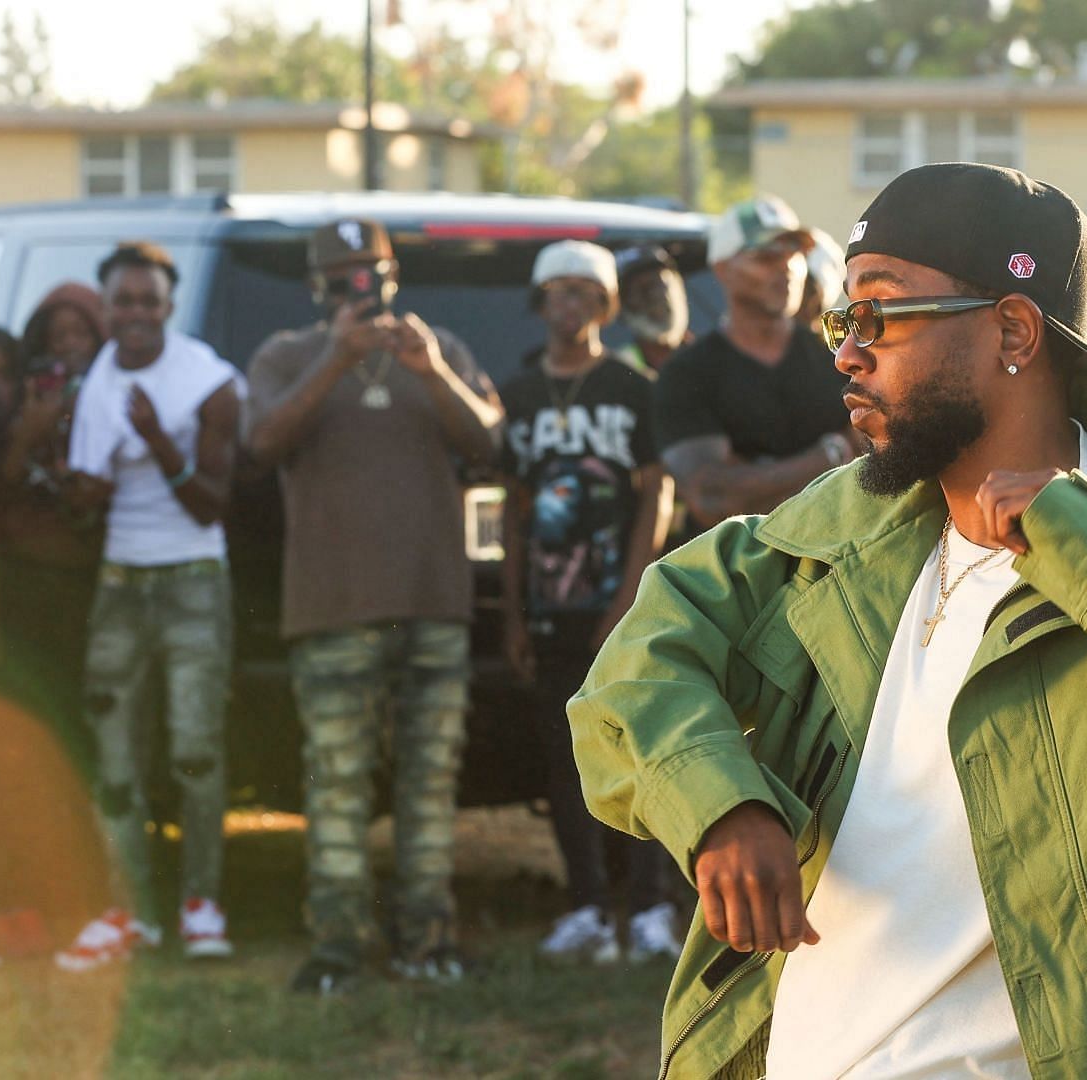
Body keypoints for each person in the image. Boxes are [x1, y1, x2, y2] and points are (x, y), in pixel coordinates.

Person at [568, 162, 1087, 1079]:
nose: (847, 351)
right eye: (842, 318)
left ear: (1011, 330)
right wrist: (719, 806)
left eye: (879, 313)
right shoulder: (846, 528)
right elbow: (635, 668)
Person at [245, 218, 503, 995]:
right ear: (318, 287)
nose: (365, 287)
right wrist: (336, 357)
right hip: (332, 610)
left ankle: (427, 941)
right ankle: (337, 949)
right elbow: (261, 444)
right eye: (348, 275)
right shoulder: (286, 354)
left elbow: (488, 440)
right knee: (336, 782)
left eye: (377, 273)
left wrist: (427, 369)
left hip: (432, 603)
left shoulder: (441, 348)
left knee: (430, 783)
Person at [52, 242, 242, 971]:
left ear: (169, 305)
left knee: (195, 749)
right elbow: (81, 502)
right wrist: (81, 492)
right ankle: (128, 911)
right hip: (120, 582)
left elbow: (213, 507)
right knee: (114, 757)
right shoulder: (96, 383)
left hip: (193, 578)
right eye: (121, 301)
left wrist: (162, 443)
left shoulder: (209, 383)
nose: (133, 314)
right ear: (105, 308)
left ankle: (201, 905)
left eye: (147, 300)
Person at [499, 240, 681, 965]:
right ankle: (585, 906)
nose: (570, 305)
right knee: (564, 757)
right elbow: (512, 510)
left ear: (606, 306)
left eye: (586, 292)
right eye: (558, 292)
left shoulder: (632, 387)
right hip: (550, 608)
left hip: (624, 606)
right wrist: (512, 612)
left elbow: (656, 491)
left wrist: (633, 592)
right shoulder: (515, 395)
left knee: (636, 748)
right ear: (541, 303)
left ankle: (649, 907)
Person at [653, 195, 857, 535]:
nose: (786, 267)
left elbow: (875, 474)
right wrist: (832, 453)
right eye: (766, 255)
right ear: (722, 269)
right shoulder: (687, 374)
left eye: (794, 254)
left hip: (831, 568)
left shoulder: (839, 357)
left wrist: (751, 478)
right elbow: (711, 500)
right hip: (733, 578)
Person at [0, 283, 107, 771]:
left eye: (80, 331)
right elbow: (8, 481)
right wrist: (31, 431)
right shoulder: (14, 406)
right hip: (26, 578)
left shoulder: (110, 398)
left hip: (88, 579)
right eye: (56, 334)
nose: (67, 343)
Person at [616, 243, 692, 372]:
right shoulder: (619, 371)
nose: (656, 296)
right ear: (621, 307)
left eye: (662, 284)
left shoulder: (713, 358)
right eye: (642, 289)